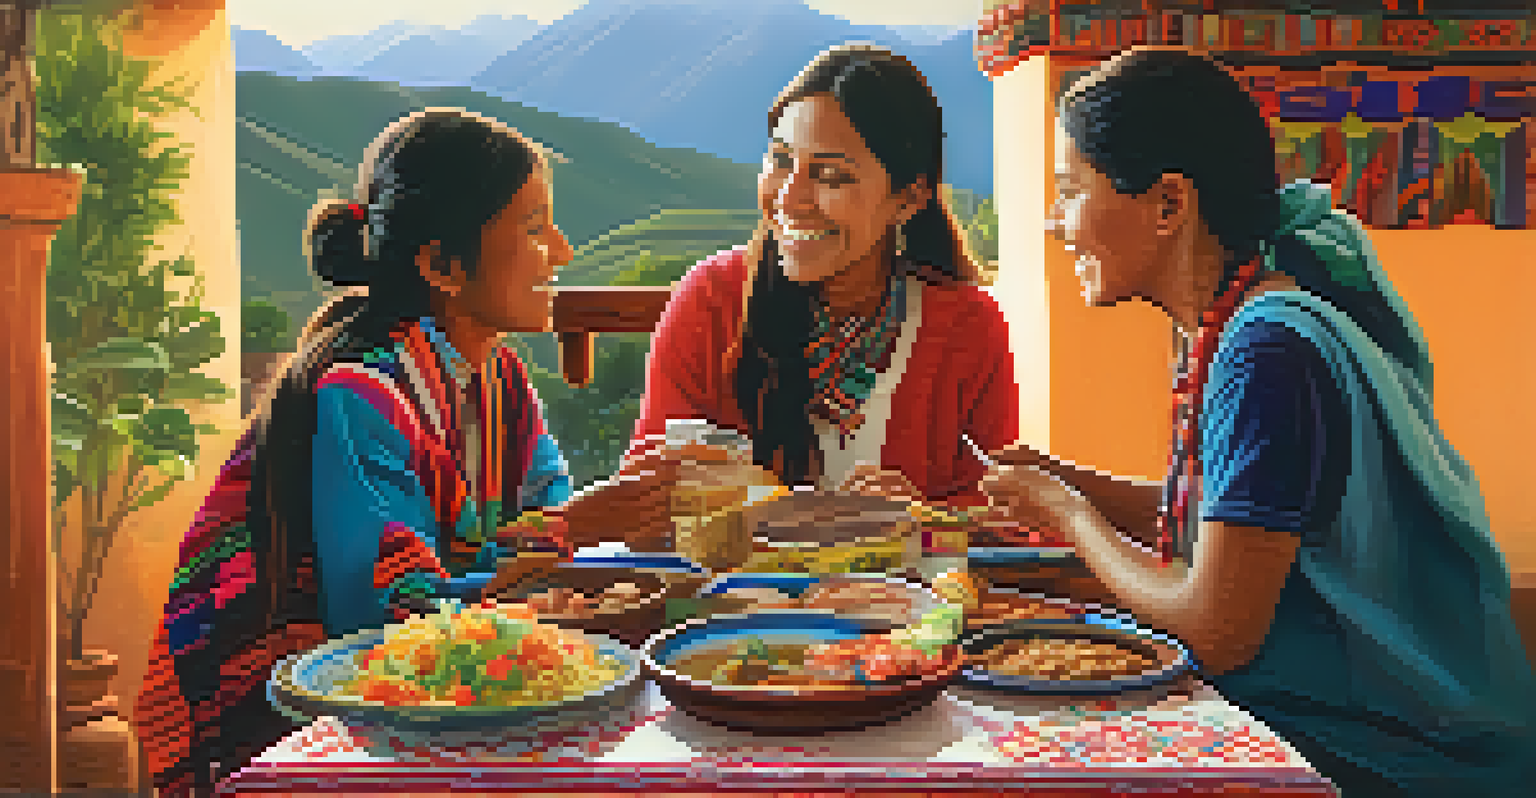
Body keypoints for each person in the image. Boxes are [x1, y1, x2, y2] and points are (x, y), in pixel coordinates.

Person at [982, 48, 1536, 796]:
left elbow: (1216, 629)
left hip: (1378, 756)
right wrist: (1062, 479)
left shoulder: (1266, 350)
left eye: (1071, 192)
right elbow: (1241, 525)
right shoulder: (1246, 319)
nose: (1057, 225)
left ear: (1169, 205)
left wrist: (1070, 516)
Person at [134, 108, 672, 794]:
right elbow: (388, 618)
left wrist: (615, 521)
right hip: (299, 718)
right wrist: (574, 528)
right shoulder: (360, 397)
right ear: (441, 264)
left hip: (443, 701)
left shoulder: (502, 382)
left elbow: (544, 528)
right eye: (535, 229)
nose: (562, 252)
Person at [618, 43, 1018, 516]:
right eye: (781, 160)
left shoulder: (966, 327)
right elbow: (642, 498)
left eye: (831, 176)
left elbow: (1001, 513)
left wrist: (922, 517)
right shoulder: (711, 301)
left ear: (908, 199)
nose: (791, 198)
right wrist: (747, 497)